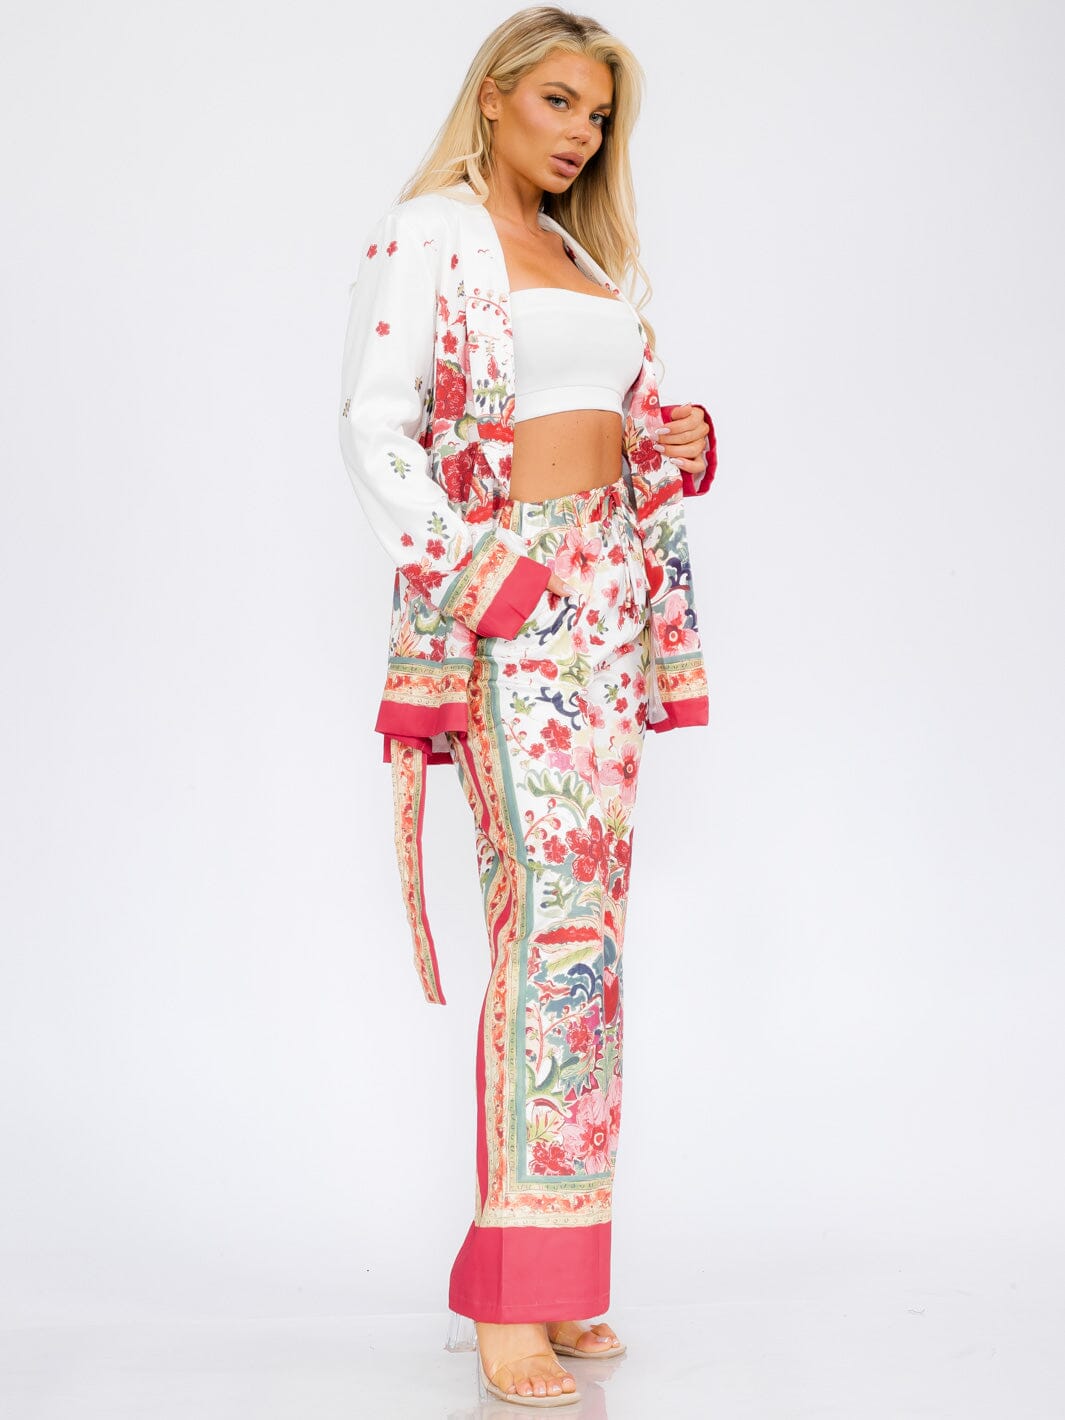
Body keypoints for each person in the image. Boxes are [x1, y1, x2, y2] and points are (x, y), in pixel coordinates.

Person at [337, 6, 717, 1406]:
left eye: (600, 115)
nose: (582, 134)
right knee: (546, 927)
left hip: (609, 605)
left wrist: (672, 442)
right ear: (493, 96)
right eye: (560, 101)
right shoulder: (429, 233)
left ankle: (556, 1277)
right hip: (514, 605)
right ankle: (512, 1294)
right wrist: (483, 574)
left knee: (586, 945)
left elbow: (617, 424)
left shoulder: (586, 257)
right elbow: (373, 425)